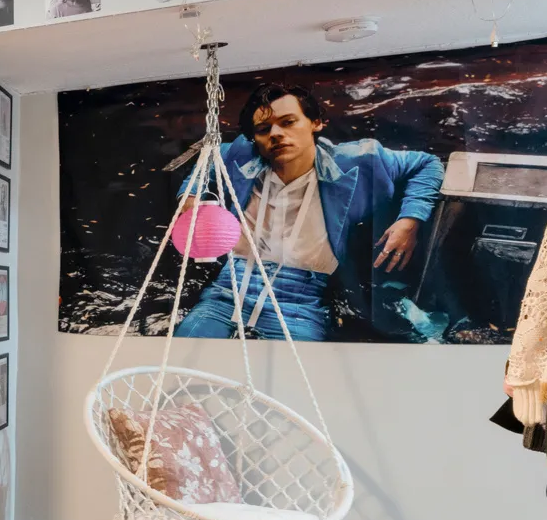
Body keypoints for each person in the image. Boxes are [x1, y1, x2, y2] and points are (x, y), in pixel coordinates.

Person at [175, 84, 443, 341]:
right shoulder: (241, 154)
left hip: (300, 300)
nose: (276, 134)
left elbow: (428, 164)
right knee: (183, 366)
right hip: (228, 288)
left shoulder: (360, 160)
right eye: (263, 129)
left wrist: (410, 220)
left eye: (288, 122)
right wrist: (189, 196)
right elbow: (209, 157)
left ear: (316, 123)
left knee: (295, 379)